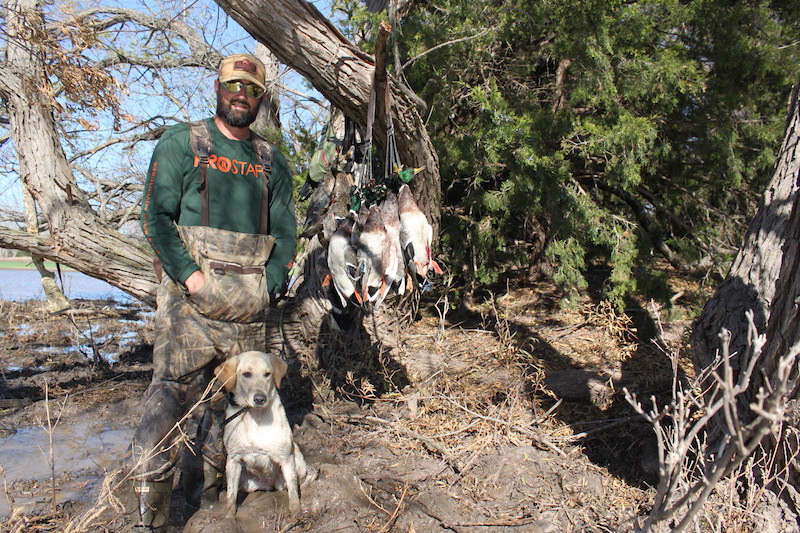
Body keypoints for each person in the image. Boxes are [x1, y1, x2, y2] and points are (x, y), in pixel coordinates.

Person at [130, 52, 296, 531]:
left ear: (261, 99)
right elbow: (154, 218)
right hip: (190, 307)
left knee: (229, 410)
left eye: (252, 90)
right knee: (166, 405)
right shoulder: (182, 142)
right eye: (233, 86)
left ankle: (207, 506)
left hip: (250, 310)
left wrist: (271, 283)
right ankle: (152, 519)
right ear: (218, 88)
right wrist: (191, 277)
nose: (241, 95)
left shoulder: (270, 161)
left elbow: (286, 234)